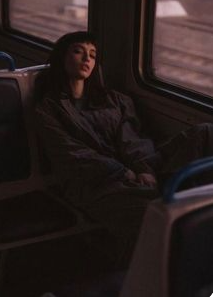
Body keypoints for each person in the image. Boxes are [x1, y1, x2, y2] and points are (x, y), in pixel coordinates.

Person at [35, 31, 213, 259]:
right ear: (61, 57)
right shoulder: (48, 109)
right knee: (151, 214)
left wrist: (143, 169)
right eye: (78, 51)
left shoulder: (114, 99)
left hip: (139, 166)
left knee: (205, 132)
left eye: (92, 54)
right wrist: (124, 172)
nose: (87, 59)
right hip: (96, 182)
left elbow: (132, 138)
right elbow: (72, 155)